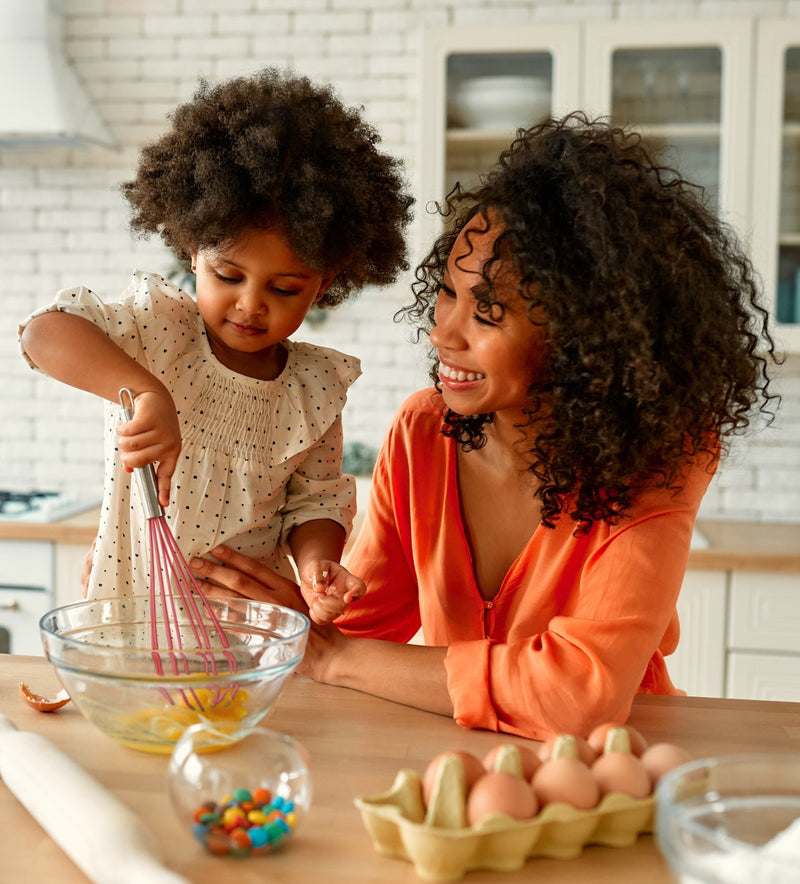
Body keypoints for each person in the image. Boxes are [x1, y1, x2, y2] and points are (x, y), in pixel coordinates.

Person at [191, 114, 776, 740]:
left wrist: (329, 653)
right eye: (448, 293)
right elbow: (361, 628)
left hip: (611, 771)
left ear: (588, 336)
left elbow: (578, 694)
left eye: (489, 312)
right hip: (459, 760)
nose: (443, 333)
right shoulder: (424, 431)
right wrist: (277, 605)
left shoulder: (660, 460)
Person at [19, 68, 413, 624]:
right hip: (131, 612)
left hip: (247, 627)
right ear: (193, 255)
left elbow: (317, 500)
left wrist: (319, 562)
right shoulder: (157, 331)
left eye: (283, 288)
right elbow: (42, 332)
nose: (251, 304)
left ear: (323, 286)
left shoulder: (316, 387)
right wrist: (146, 391)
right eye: (229, 276)